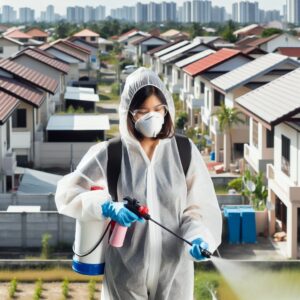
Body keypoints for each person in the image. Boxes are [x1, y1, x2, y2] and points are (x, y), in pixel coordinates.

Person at [55, 67, 222, 300]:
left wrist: (198, 236)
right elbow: (66, 193)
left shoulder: (184, 152)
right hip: (125, 274)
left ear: (167, 110)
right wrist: (106, 206)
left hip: (175, 273)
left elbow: (198, 209)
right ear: (130, 114)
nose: (151, 116)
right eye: (143, 111)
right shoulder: (110, 153)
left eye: (157, 109)